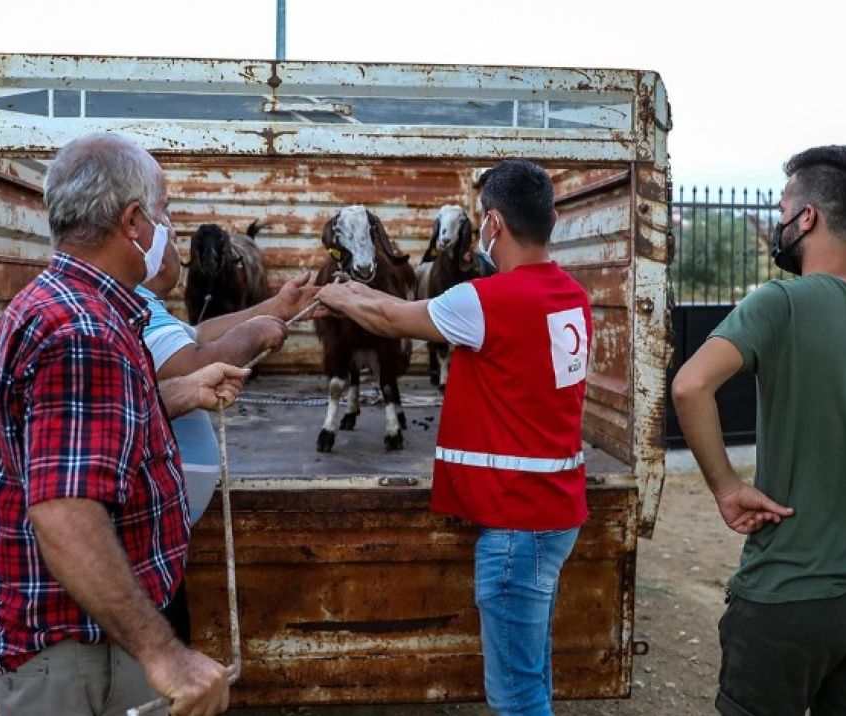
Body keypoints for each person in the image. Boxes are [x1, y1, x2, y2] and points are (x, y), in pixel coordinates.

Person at [0, 133, 244, 716]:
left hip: (76, 641)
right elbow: (66, 514)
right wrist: (163, 652)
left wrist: (183, 389)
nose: (168, 226)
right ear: (135, 222)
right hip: (73, 655)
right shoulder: (85, 333)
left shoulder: (59, 302)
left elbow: (80, 432)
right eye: (163, 210)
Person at [671, 145, 846, 716]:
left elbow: (690, 386)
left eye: (782, 210)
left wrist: (726, 487)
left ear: (808, 218)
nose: (778, 224)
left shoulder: (779, 303)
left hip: (787, 599)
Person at [316, 159, 592, 715]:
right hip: (553, 512)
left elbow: (394, 318)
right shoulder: (570, 294)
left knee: (515, 697)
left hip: (518, 526)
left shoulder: (487, 300)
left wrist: (338, 294)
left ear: (492, 224)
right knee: (532, 677)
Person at [134, 222, 317, 645]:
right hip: (145, 539)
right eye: (175, 237)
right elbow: (188, 364)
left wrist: (275, 306)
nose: (179, 250)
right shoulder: (130, 303)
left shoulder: (144, 302)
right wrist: (251, 336)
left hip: (162, 531)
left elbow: (195, 335)